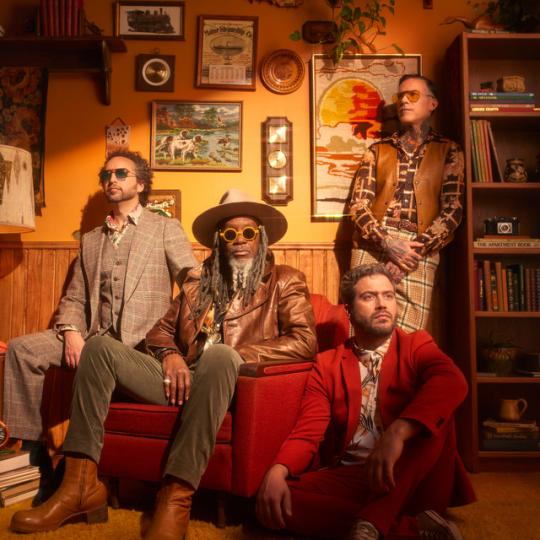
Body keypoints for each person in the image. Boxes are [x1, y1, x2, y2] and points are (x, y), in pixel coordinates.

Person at [10, 189, 318, 538]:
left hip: (231, 383)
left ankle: (175, 497)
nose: (239, 240)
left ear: (260, 237)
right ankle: (79, 485)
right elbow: (160, 331)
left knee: (219, 355)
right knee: (98, 347)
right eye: (229, 233)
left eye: (248, 232)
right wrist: (171, 355)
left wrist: (236, 356)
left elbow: (304, 341)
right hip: (181, 380)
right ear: (219, 241)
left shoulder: (285, 281)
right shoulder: (198, 282)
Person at [2, 150, 196, 481]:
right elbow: (75, 296)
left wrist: (177, 344)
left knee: (101, 352)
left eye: (121, 173)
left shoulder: (164, 228)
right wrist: (71, 332)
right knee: (21, 350)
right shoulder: (91, 240)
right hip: (92, 336)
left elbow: (192, 284)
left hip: (140, 348)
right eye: (106, 175)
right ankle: (32, 457)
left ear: (141, 183)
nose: (111, 179)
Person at [256, 263, 475, 540]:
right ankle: (411, 529)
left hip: (410, 474)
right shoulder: (327, 364)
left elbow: (452, 380)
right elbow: (308, 431)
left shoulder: (417, 345)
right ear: (348, 310)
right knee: (276, 499)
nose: (382, 304)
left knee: (436, 412)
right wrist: (278, 470)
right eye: (369, 297)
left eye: (388, 295)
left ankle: (372, 521)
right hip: (357, 475)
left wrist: (397, 433)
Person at [349, 74, 464, 332]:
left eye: (412, 95)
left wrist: (413, 252)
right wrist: (387, 243)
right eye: (400, 96)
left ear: (432, 103)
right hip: (372, 246)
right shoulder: (377, 150)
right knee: (361, 331)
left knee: (409, 337)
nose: (403, 101)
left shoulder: (449, 151)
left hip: (419, 250)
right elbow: (358, 207)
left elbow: (453, 210)